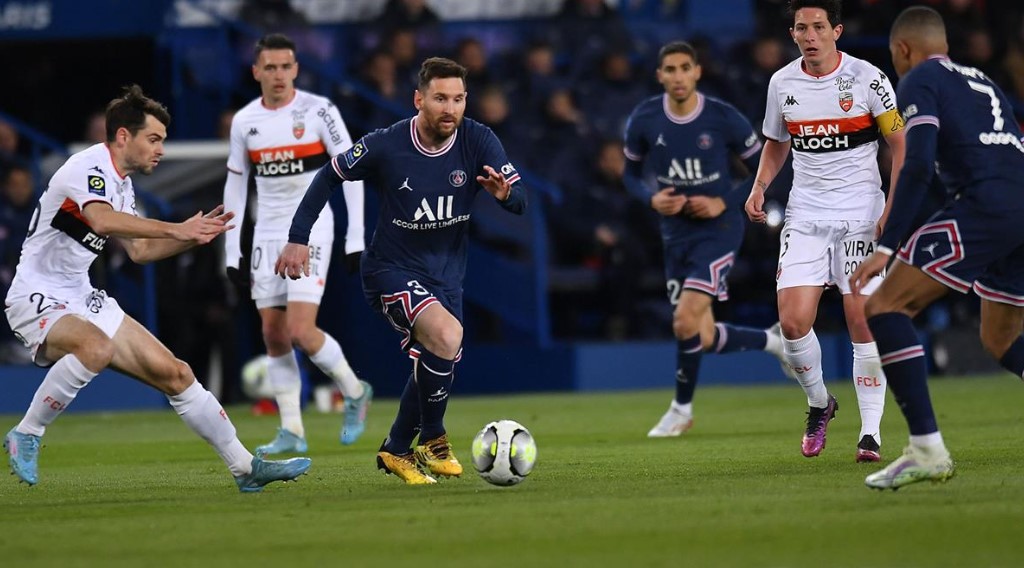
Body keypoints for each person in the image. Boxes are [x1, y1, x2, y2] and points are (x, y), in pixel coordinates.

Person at [2, 85, 310, 492]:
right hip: (35, 293)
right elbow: (103, 222)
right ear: (123, 136)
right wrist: (177, 227)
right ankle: (27, 432)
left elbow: (141, 251)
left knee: (177, 373)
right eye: (154, 139)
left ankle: (245, 467)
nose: (160, 149)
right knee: (96, 349)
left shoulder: (123, 185)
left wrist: (193, 237)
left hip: (81, 296)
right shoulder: (88, 167)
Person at [275, 57, 527, 484]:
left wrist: (506, 195)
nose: (450, 108)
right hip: (389, 269)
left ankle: (395, 449)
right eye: (440, 98)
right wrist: (299, 237)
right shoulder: (387, 144)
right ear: (419, 99)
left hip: (447, 277)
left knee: (439, 353)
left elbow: (520, 201)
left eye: (459, 99)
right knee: (447, 336)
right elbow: (329, 174)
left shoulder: (478, 139)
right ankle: (431, 435)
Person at [850, 6, 1024, 489]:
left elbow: (918, 164)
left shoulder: (918, 80)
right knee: (1001, 339)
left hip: (986, 204)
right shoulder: (981, 79)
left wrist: (887, 245)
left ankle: (926, 448)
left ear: (903, 50)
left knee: (884, 306)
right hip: (1017, 203)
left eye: (893, 56)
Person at [744, 0, 906, 462]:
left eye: (818, 27)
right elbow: (777, 144)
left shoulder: (869, 79)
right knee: (794, 322)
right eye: (801, 28)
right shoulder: (782, 83)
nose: (810, 35)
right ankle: (820, 403)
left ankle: (870, 433)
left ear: (836, 30)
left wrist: (892, 205)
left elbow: (900, 144)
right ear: (792, 34)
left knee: (861, 316)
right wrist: (759, 187)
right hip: (806, 215)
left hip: (860, 214)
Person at [622, 41, 787, 438]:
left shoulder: (723, 118)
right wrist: (651, 197)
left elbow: (764, 170)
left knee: (683, 320)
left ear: (697, 72)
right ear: (660, 75)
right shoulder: (644, 119)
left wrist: (722, 201)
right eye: (670, 69)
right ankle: (774, 342)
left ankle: (681, 409)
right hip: (674, 234)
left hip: (720, 230)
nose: (678, 76)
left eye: (684, 68)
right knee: (702, 334)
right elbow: (628, 174)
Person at [223, 33, 372, 454]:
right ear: (255, 72)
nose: (278, 75)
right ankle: (293, 429)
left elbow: (352, 170)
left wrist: (354, 237)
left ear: (296, 70)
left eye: (285, 66)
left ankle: (354, 390)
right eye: (269, 67)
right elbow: (236, 187)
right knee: (273, 334)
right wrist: (231, 250)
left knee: (300, 330)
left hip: (310, 229)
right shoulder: (245, 121)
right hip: (266, 232)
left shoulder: (319, 111)